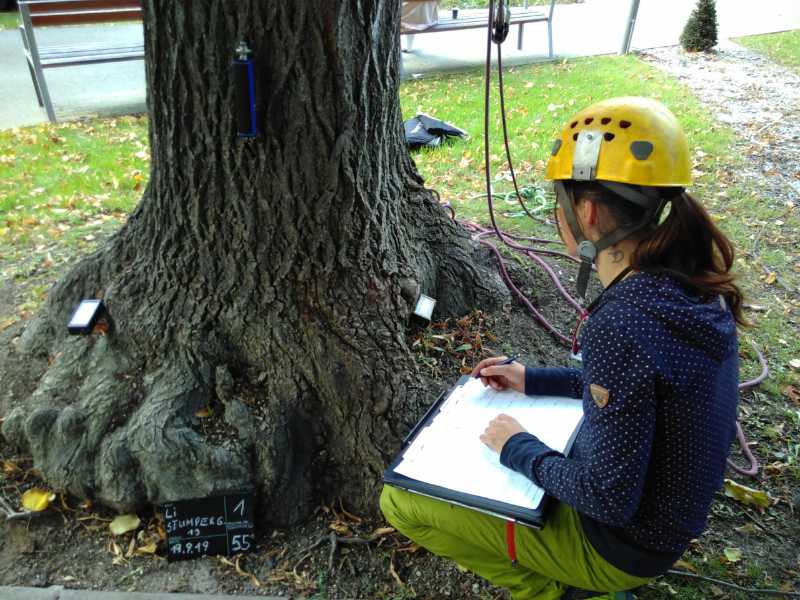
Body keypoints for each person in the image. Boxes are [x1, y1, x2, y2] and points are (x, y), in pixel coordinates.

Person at [380, 97, 744, 599]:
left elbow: (607, 499)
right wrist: (533, 379)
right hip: (665, 524)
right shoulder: (690, 283)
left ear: (587, 213)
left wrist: (517, 447)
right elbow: (638, 388)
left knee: (399, 503)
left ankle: (559, 592)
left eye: (560, 201)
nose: (558, 213)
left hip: (621, 546)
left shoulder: (621, 324)